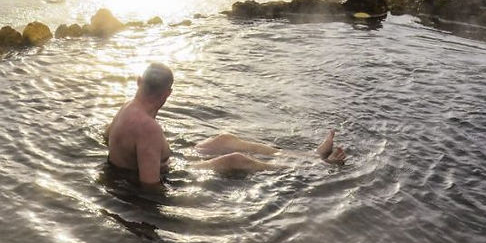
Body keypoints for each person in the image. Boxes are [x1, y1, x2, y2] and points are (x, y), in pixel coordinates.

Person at [105, 63, 346, 187]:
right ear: (167, 93)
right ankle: (316, 168)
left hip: (169, 161)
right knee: (236, 159)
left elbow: (108, 137)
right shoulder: (147, 127)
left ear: (139, 82)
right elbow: (150, 185)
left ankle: (309, 155)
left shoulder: (128, 106)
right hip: (169, 173)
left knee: (224, 140)